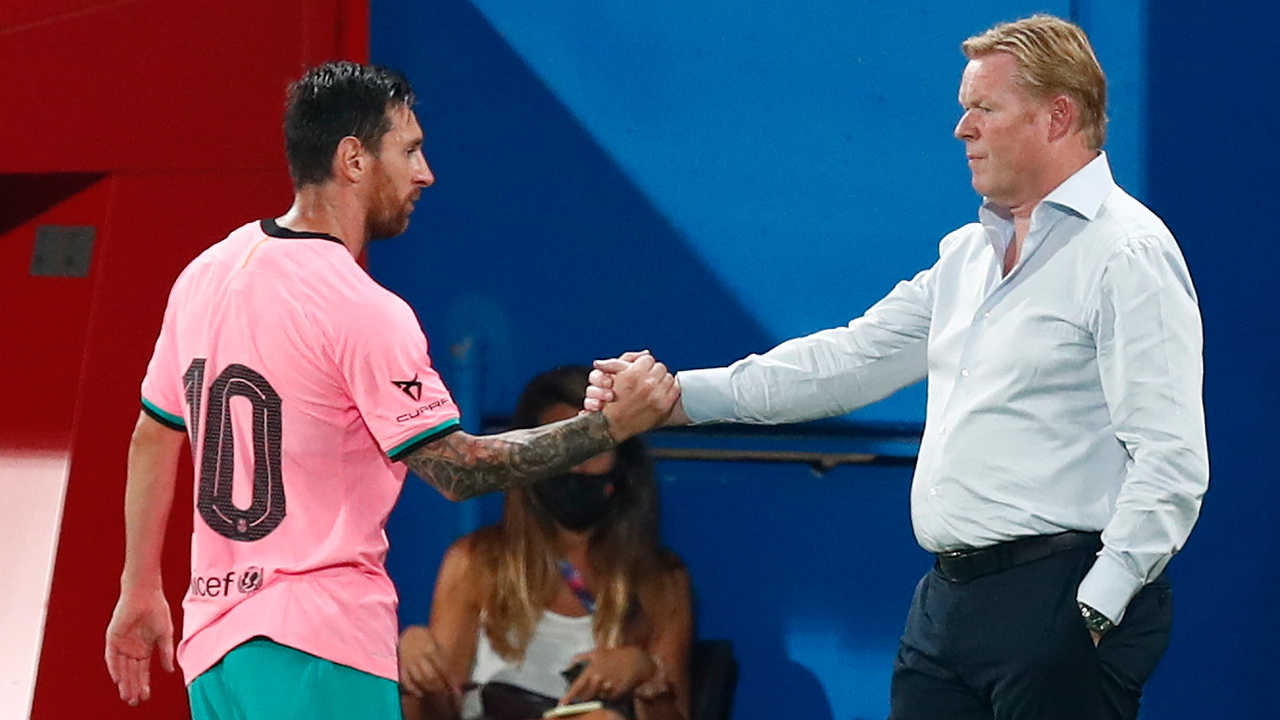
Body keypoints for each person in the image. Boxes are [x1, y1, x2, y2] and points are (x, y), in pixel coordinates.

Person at [587, 15, 1207, 720]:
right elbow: (845, 362)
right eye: (962, 109)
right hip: (948, 605)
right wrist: (673, 398)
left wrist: (1099, 604)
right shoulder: (967, 256)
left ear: (1057, 116)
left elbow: (1172, 456)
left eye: (984, 108)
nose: (961, 129)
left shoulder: (1127, 253)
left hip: (1064, 601)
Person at [103, 61, 679, 720]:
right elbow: (456, 470)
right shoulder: (363, 308)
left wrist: (141, 584)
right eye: (409, 150)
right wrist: (607, 428)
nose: (425, 172)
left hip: (217, 656)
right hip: (318, 650)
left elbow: (153, 433)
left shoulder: (205, 274)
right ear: (353, 158)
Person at [399, 365, 692, 720]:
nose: (575, 469)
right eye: (560, 451)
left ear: (622, 465)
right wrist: (417, 670)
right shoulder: (474, 560)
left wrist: (645, 673)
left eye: (591, 451)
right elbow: (438, 711)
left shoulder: (661, 581)